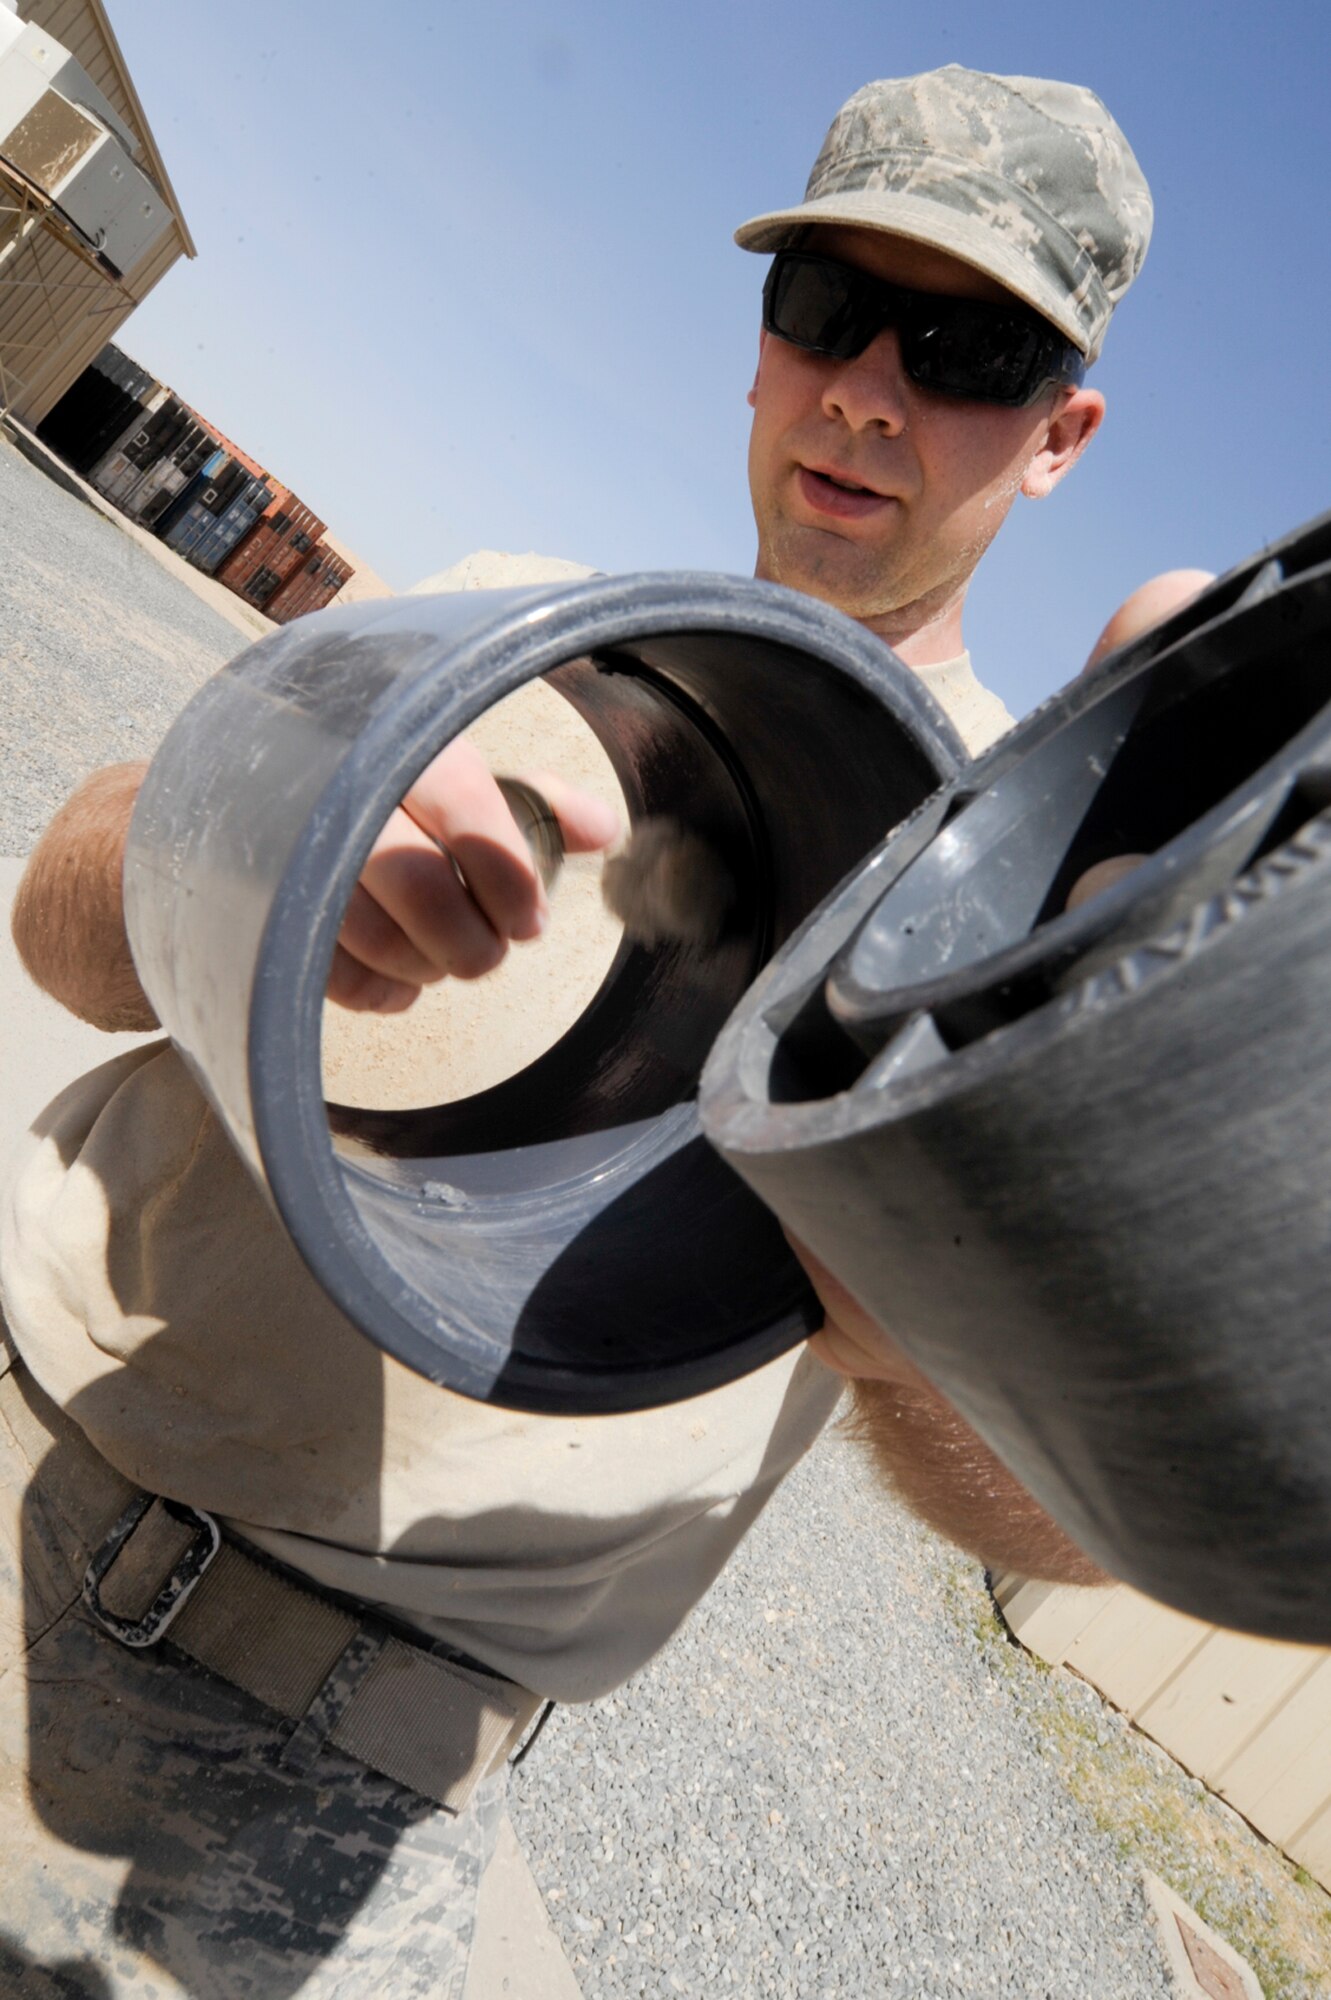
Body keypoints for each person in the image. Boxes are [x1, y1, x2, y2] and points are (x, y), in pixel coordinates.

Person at [1, 64, 1199, 1998]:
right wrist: (242, 858)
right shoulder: (491, 627)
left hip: (299, 1769)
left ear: (1058, 436)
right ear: (760, 351)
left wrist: (909, 1321)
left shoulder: (1037, 925)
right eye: (826, 310)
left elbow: (1071, 1525)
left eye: (964, 348)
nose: (869, 390)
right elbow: (61, 911)